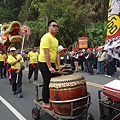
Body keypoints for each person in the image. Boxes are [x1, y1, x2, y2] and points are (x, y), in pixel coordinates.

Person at [38, 20, 61, 109]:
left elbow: (57, 53)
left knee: (54, 82)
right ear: (49, 27)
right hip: (44, 63)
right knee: (47, 82)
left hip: (51, 63)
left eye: (57, 26)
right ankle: (45, 102)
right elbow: (46, 52)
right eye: (53, 25)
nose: (56, 27)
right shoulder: (46, 37)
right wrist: (50, 67)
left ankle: (52, 98)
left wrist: (58, 65)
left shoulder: (55, 40)